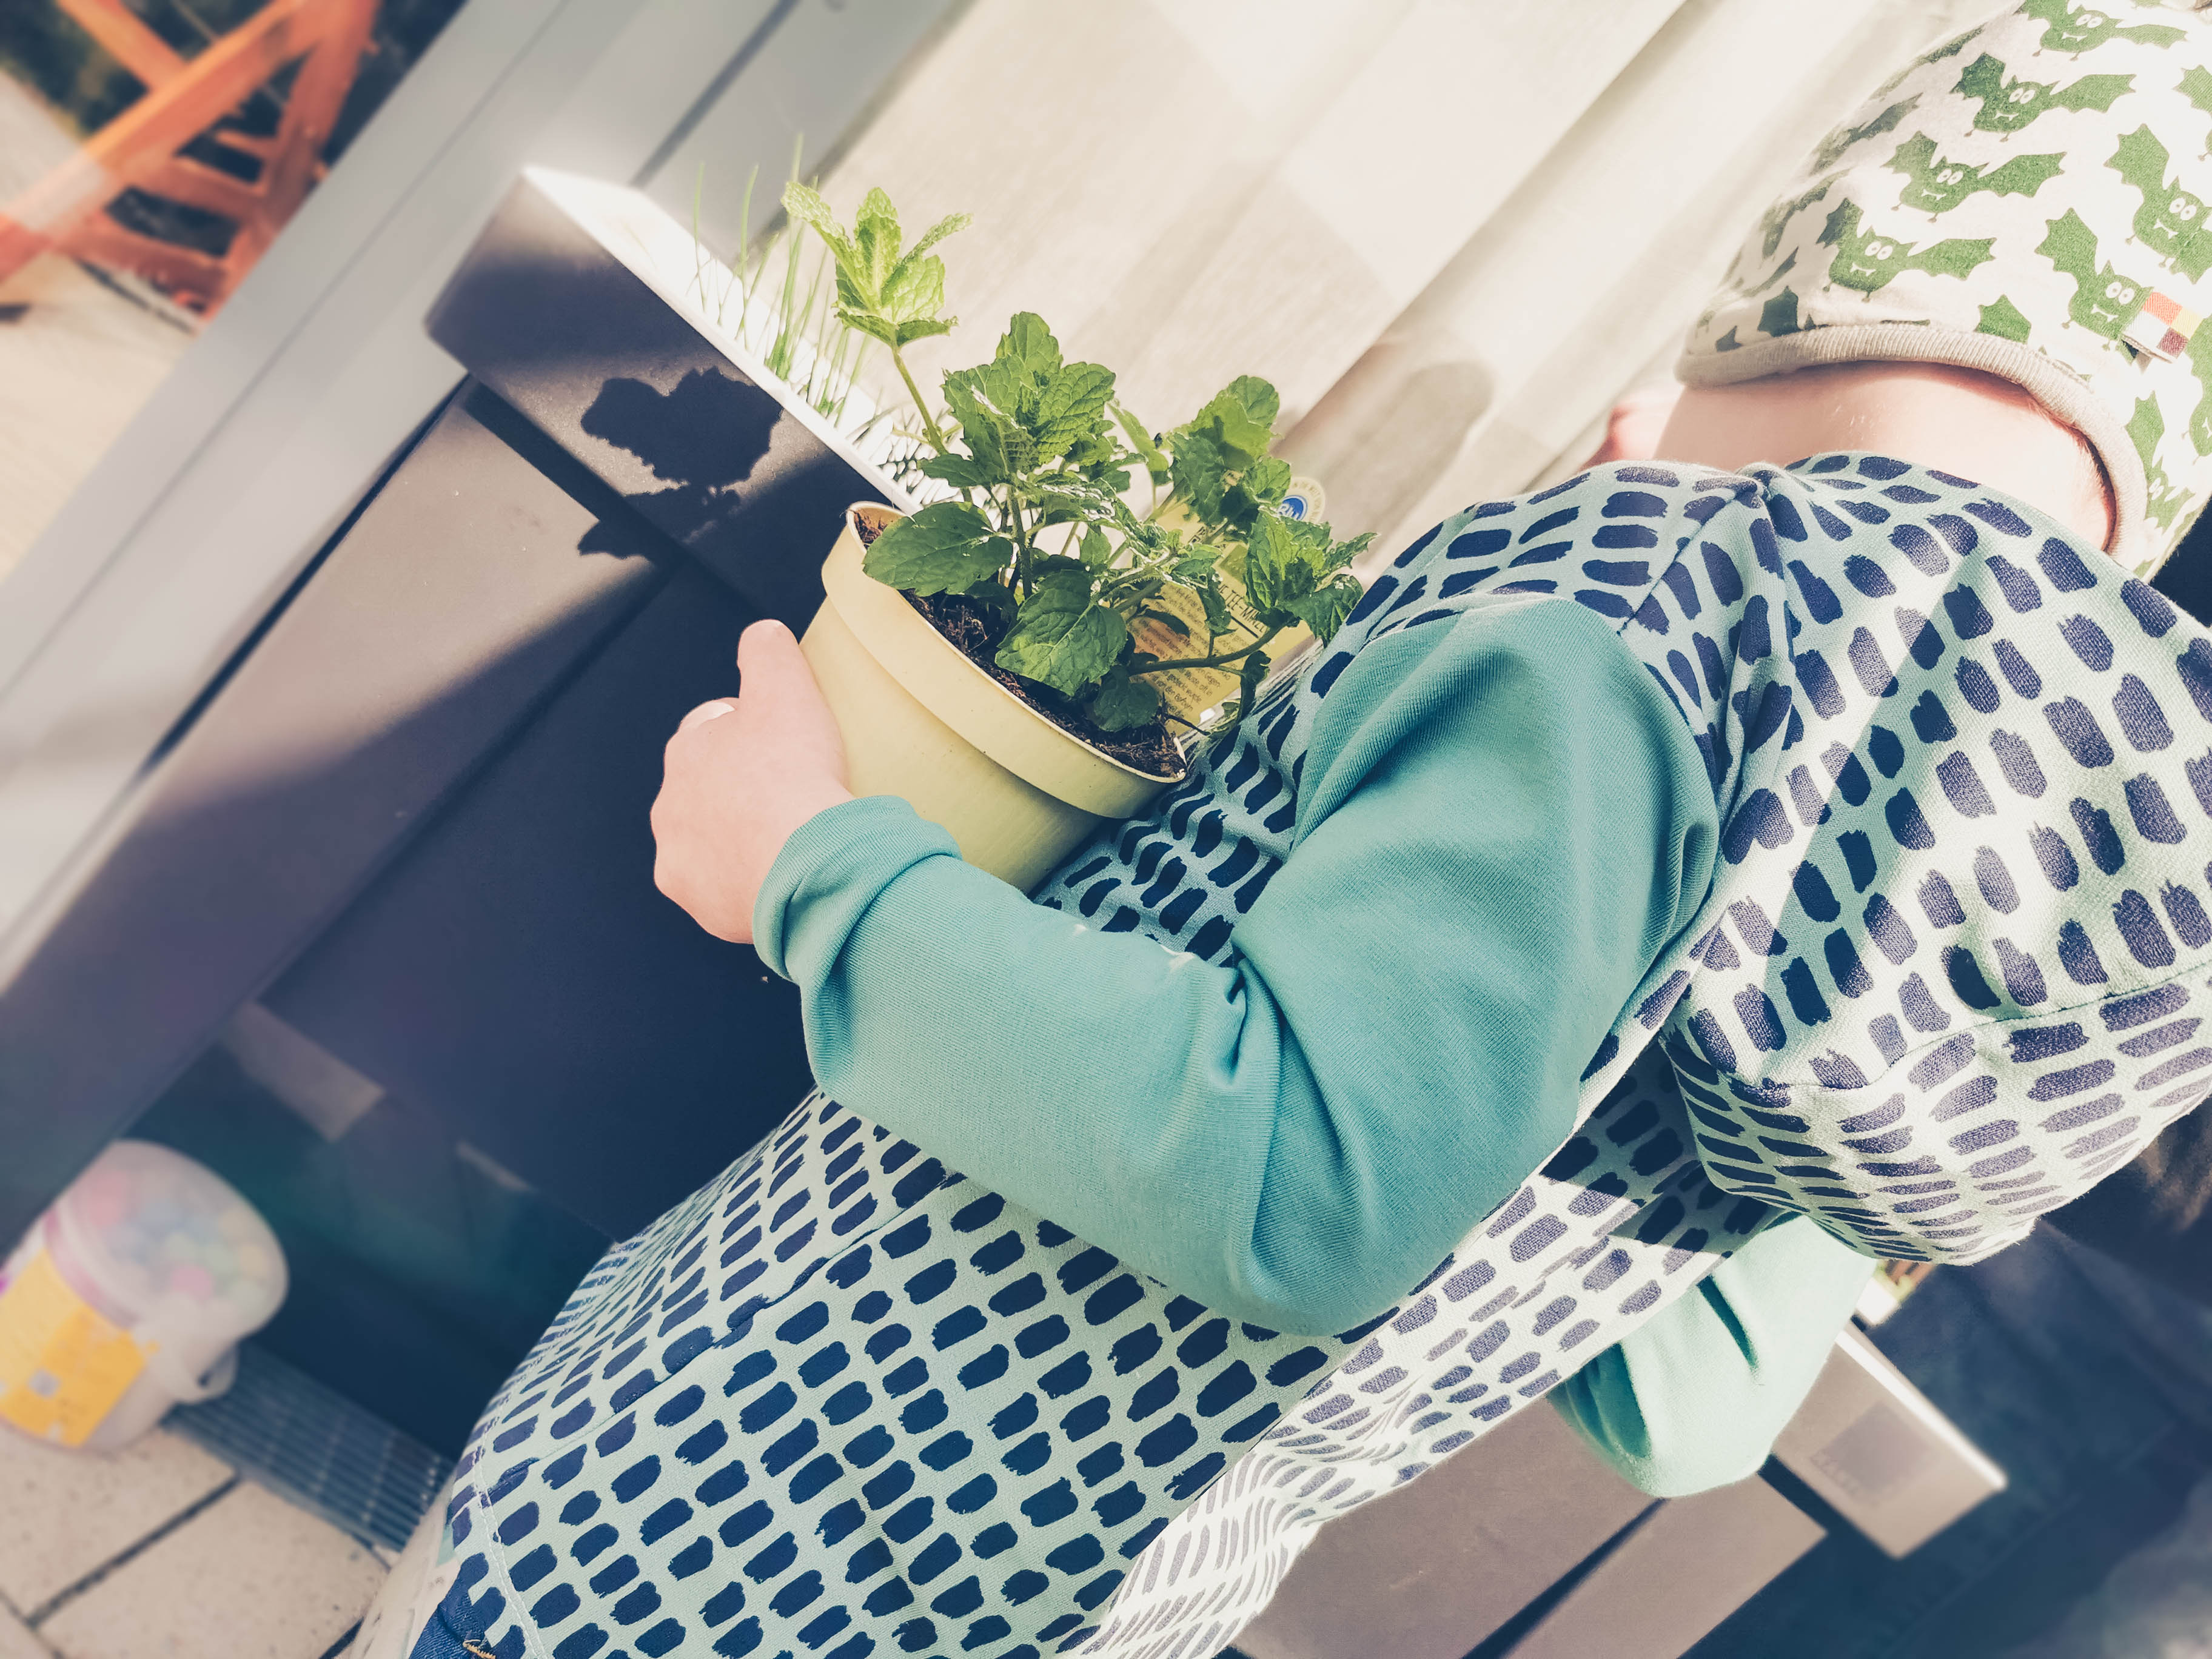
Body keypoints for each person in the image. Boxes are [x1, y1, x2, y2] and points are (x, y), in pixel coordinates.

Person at [369, 5, 2212, 1657]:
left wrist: (813, 868)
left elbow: (1297, 1181)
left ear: (1822, 274)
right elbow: (1695, 1409)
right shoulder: (1972, 837)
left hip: (713, 1537)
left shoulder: (1654, 601)